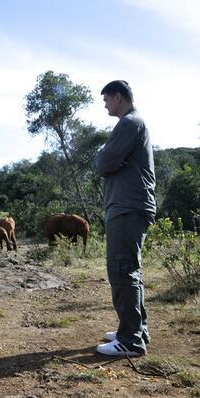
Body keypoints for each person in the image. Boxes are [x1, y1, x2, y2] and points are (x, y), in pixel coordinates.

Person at [94, 80, 156, 357]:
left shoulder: (130, 124)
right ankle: (135, 328)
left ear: (118, 97)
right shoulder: (133, 123)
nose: (105, 104)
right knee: (130, 269)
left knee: (121, 270)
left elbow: (103, 163)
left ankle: (130, 340)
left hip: (127, 207)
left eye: (107, 99)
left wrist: (102, 157)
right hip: (131, 206)